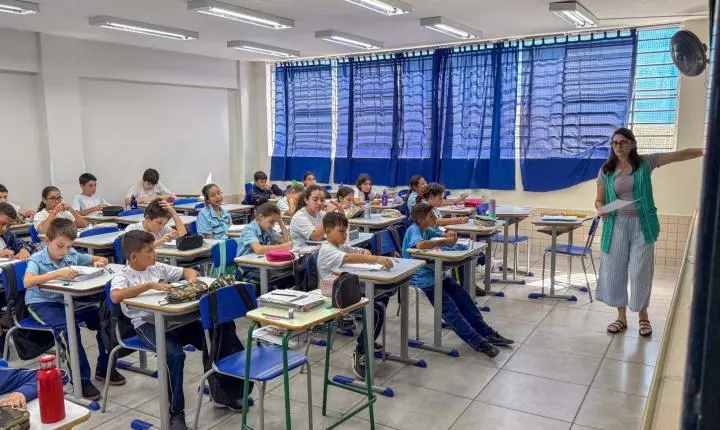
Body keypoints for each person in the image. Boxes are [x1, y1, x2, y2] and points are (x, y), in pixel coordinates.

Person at [595, 127, 703, 337]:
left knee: (640, 271)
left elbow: (679, 155)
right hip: (616, 225)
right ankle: (621, 318)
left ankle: (643, 316)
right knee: (615, 270)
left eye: (623, 142)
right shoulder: (606, 170)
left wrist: (706, 150)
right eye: (615, 143)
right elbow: (599, 199)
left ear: (632, 144)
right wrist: (601, 208)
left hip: (642, 225)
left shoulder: (646, 163)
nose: (618, 146)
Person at [111, 230, 207, 430]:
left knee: (209, 335)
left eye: (154, 249)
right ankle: (176, 412)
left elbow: (187, 271)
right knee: (174, 355)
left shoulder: (157, 267)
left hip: (171, 319)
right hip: (145, 324)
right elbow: (116, 296)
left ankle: (218, 387)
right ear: (133, 256)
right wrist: (148, 286)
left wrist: (191, 281)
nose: (154, 253)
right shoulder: (123, 275)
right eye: (149, 251)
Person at [23, 218, 124, 400]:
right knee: (68, 329)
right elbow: (28, 281)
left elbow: (97, 259)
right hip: (41, 304)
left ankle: (104, 368)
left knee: (104, 318)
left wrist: (99, 262)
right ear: (47, 241)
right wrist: (57, 273)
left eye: (69, 246)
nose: (64, 251)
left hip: (68, 301)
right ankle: (81, 380)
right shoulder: (37, 259)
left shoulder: (71, 254)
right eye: (60, 246)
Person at [403, 203, 513, 357]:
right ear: (421, 220)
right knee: (451, 310)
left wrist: (449, 234)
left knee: (465, 299)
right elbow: (420, 244)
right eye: (431, 216)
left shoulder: (426, 229)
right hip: (422, 278)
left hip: (437, 273)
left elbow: (441, 234)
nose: (435, 218)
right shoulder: (414, 230)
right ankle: (478, 342)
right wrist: (444, 242)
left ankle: (486, 332)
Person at [318, 212, 394, 377]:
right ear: (328, 231)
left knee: (383, 295)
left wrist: (366, 253)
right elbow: (349, 257)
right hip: (332, 298)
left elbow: (358, 251)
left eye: (346, 231)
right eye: (341, 231)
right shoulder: (327, 250)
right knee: (376, 309)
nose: (345, 235)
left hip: (346, 292)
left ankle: (368, 339)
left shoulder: (339, 245)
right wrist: (375, 259)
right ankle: (361, 350)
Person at [236, 203, 294, 291]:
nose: (273, 225)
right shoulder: (249, 229)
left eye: (275, 222)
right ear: (260, 217)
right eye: (271, 222)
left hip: (262, 266)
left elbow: (285, 241)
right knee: (280, 278)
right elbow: (258, 249)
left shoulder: (267, 229)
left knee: (290, 273)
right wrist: (283, 247)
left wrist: (281, 222)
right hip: (246, 270)